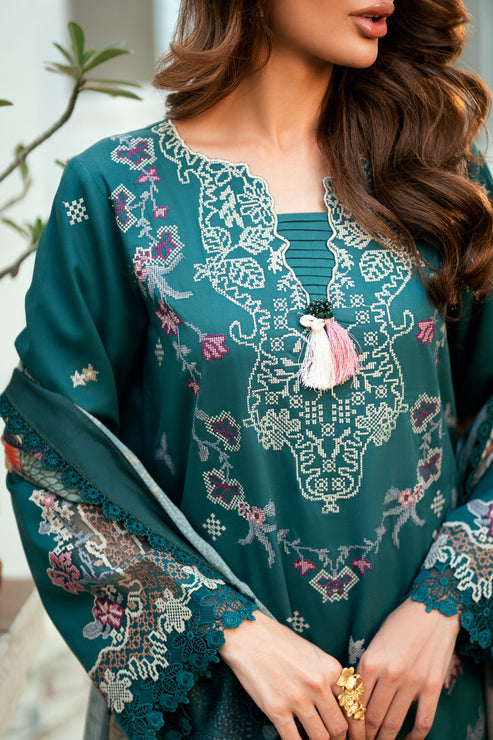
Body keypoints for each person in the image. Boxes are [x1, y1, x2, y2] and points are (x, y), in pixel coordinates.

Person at [2, 0, 493, 738]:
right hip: (224, 707)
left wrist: (446, 600)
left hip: (425, 704)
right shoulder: (118, 192)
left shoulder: (441, 180)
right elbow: (53, 461)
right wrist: (232, 632)